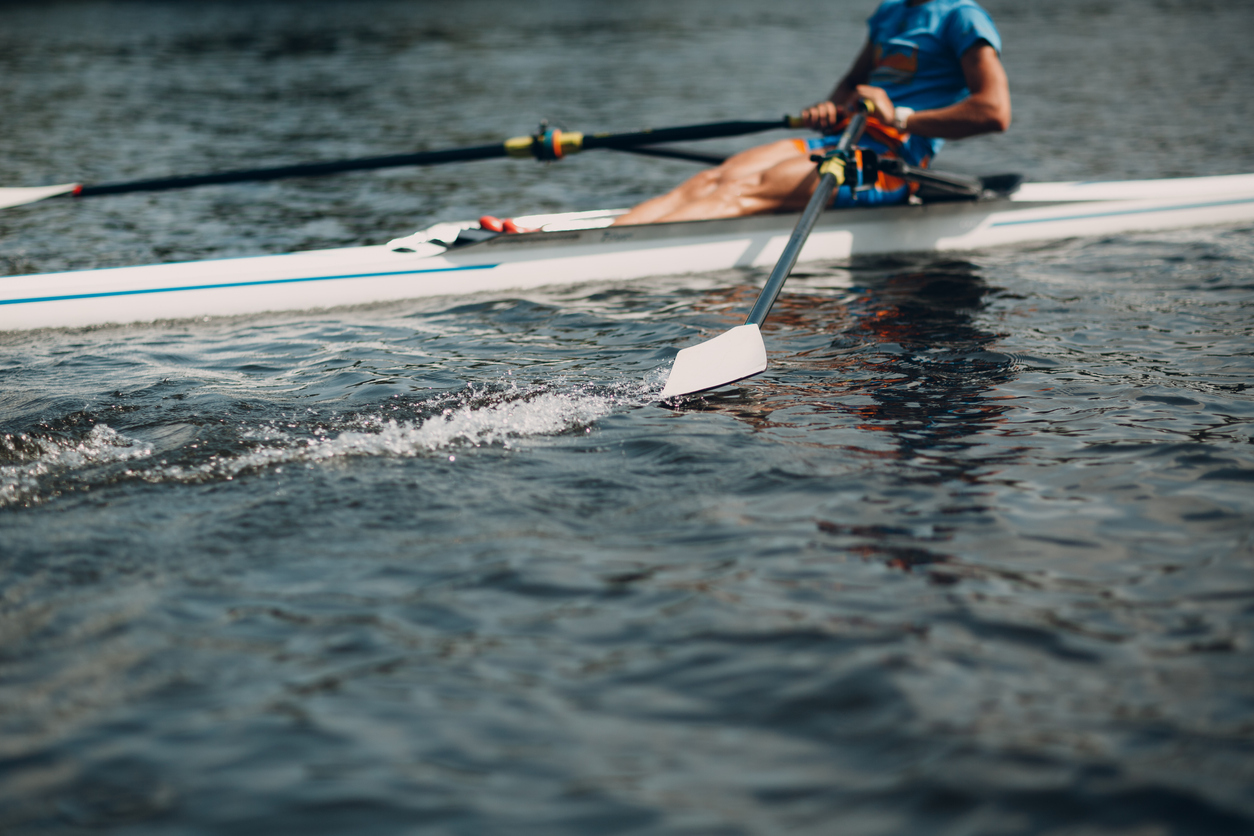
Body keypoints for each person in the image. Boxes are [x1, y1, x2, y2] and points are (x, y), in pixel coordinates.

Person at [611, 0, 1010, 226]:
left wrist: (899, 117)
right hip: (842, 139)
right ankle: (613, 234)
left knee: (743, 189)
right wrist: (832, 107)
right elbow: (852, 81)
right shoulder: (890, 12)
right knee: (713, 177)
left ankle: (617, 253)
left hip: (888, 160)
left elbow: (994, 112)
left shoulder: (963, 18)